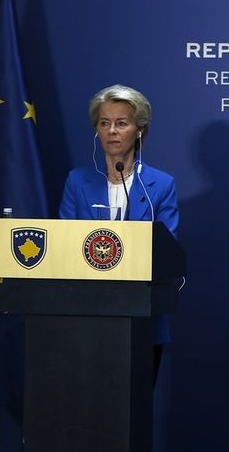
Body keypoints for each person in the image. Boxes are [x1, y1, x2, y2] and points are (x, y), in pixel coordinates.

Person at [59, 84, 179, 375]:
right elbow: (63, 245)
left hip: (142, 318)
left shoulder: (161, 185)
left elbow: (167, 251)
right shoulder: (77, 181)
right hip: (86, 315)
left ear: (140, 130)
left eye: (121, 123)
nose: (112, 131)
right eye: (104, 123)